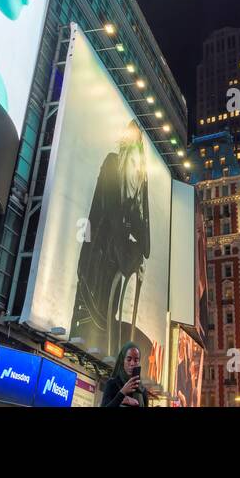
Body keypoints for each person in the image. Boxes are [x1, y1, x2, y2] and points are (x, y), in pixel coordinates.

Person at [72, 121, 152, 358]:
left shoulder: (140, 177)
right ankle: (88, 332)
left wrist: (140, 248)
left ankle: (107, 339)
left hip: (118, 242)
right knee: (104, 271)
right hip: (100, 238)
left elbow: (140, 218)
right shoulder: (111, 162)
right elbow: (111, 210)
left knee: (124, 264)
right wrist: (124, 250)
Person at [100, 343, 147, 407]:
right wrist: (122, 393)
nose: (132, 363)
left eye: (136, 360)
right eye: (129, 359)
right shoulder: (112, 384)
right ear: (122, 360)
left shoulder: (142, 391)